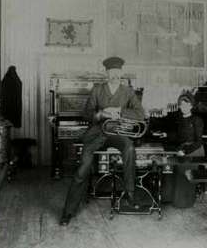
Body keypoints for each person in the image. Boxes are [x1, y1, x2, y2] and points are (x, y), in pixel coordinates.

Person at [60, 56, 145, 226]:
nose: (114, 75)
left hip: (117, 133)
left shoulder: (128, 91)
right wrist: (100, 114)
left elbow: (140, 114)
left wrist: (119, 111)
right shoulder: (97, 90)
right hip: (97, 133)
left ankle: (129, 194)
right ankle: (68, 211)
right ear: (106, 73)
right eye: (111, 72)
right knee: (83, 168)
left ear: (121, 73)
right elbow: (87, 113)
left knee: (129, 148)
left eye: (117, 72)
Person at [166, 92, 204, 208]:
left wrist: (185, 151)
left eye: (186, 105)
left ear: (191, 106)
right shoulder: (180, 119)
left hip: (194, 151)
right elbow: (179, 137)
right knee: (178, 175)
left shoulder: (197, 120)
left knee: (187, 176)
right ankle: (177, 201)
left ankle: (186, 202)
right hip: (182, 150)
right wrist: (166, 134)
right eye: (181, 105)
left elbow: (199, 141)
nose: (183, 107)